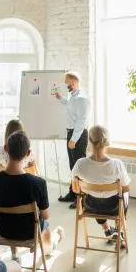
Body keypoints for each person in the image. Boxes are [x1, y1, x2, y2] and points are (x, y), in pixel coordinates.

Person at [0, 131, 63, 264]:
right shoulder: (39, 184)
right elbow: (46, 216)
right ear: (28, 154)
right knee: (46, 224)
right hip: (31, 234)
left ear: (6, 149)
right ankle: (50, 246)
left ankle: (15, 255)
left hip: (4, 231)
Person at [71, 125, 130, 247]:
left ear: (90, 142)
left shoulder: (80, 164)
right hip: (114, 207)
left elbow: (75, 189)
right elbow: (125, 188)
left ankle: (107, 230)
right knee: (125, 193)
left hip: (90, 206)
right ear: (107, 141)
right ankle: (120, 231)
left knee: (95, 195)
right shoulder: (117, 164)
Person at [54, 71, 90, 208]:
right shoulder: (74, 97)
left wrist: (74, 139)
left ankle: (81, 198)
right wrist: (61, 98)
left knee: (79, 167)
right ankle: (73, 193)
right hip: (72, 133)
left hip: (78, 135)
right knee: (73, 166)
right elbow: (70, 104)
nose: (64, 85)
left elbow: (81, 121)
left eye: (66, 83)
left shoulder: (82, 99)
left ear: (72, 83)